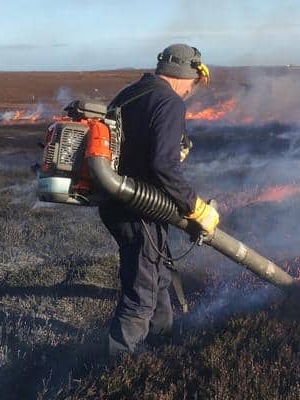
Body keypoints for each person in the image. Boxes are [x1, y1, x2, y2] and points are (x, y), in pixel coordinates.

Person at [99, 44, 220, 356]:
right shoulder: (169, 102)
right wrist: (196, 207)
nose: (193, 90)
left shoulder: (130, 93)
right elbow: (163, 166)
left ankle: (161, 346)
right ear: (185, 75)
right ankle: (114, 368)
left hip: (118, 205)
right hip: (136, 210)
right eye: (195, 83)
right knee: (141, 295)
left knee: (158, 276)